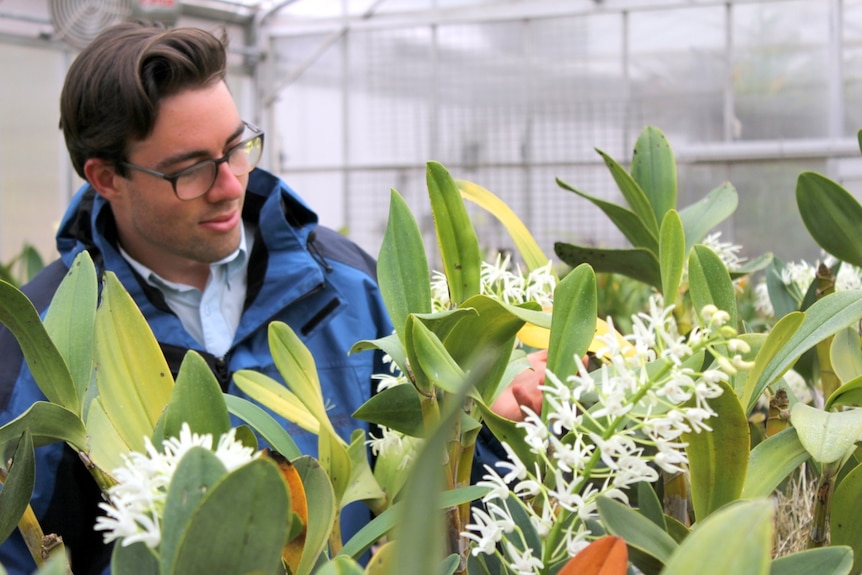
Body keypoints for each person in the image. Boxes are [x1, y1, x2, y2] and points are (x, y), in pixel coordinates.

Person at [0, 22, 543, 575]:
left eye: (236, 147)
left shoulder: (343, 283)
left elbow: (426, 480)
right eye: (189, 170)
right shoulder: (42, 337)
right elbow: (21, 549)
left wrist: (488, 425)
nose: (231, 185)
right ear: (106, 178)